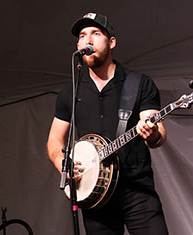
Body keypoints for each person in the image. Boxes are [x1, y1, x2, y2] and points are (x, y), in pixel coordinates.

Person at [47, 12, 169, 235]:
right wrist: (63, 163)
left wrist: (151, 133)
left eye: (96, 33)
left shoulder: (138, 84)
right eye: (82, 36)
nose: (88, 41)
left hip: (137, 191)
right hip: (95, 197)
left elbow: (158, 132)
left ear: (111, 42)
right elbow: (55, 141)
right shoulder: (70, 92)